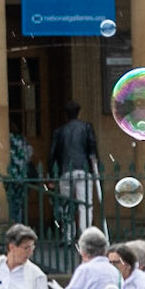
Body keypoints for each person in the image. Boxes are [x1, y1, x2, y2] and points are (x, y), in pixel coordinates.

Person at [48, 101, 100, 237]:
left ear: (66, 115)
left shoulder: (59, 131)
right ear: (79, 113)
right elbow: (92, 149)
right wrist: (96, 167)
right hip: (83, 169)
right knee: (85, 204)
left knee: (67, 204)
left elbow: (52, 154)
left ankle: (68, 235)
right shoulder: (87, 127)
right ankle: (84, 235)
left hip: (66, 170)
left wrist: (52, 175)